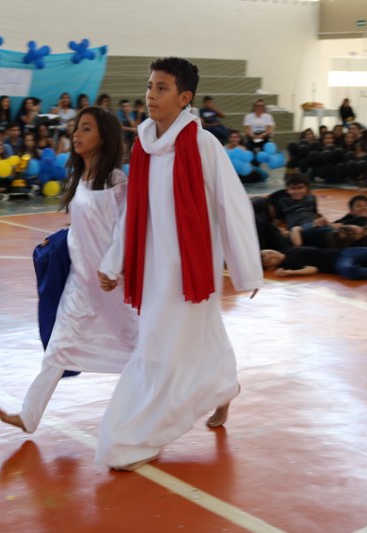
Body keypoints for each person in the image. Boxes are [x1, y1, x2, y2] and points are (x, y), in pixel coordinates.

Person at [95, 57, 263, 471]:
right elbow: (133, 210)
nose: (151, 95)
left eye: (162, 88)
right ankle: (223, 386)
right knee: (187, 338)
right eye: (150, 86)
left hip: (190, 268)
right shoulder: (143, 145)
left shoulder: (203, 145)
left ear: (184, 97)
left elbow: (231, 205)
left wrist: (246, 269)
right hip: (154, 268)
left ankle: (139, 437)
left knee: (162, 350)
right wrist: (114, 261)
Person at [0, 107, 138, 434]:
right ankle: (29, 415)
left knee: (144, 350)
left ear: (104, 136)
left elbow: (125, 230)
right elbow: (85, 225)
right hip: (80, 283)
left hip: (110, 284)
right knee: (58, 349)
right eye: (76, 128)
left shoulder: (116, 181)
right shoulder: (79, 177)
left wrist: (113, 268)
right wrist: (61, 240)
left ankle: (210, 388)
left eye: (86, 129)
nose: (76, 135)